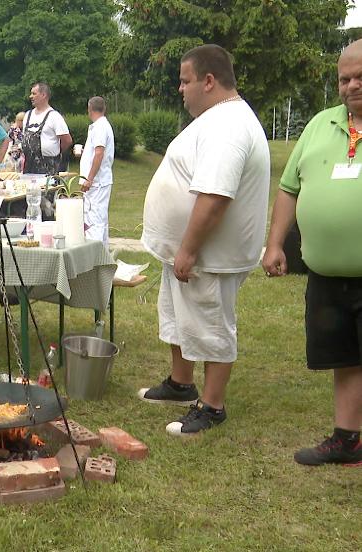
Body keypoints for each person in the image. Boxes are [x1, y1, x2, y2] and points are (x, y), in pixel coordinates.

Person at [138, 44, 270, 436]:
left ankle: (212, 405)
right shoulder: (216, 119)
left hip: (208, 256)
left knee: (211, 325)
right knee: (181, 319)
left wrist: (189, 248)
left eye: (185, 80)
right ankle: (181, 384)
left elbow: (215, 196)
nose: (181, 89)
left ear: (209, 81)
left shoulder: (229, 126)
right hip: (191, 253)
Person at [261, 39, 362, 466]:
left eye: (360, 77)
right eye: (344, 78)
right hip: (327, 275)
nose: (351, 85)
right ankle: (348, 439)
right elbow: (289, 188)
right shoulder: (321, 124)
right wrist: (275, 242)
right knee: (345, 357)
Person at [76, 96, 115, 245]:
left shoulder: (99, 127)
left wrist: (89, 178)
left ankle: (94, 258)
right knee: (100, 220)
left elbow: (99, 153)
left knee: (94, 221)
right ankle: (103, 256)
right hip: (100, 181)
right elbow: (96, 152)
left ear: (89, 109)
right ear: (104, 108)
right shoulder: (101, 126)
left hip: (97, 183)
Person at [20, 83, 72, 176]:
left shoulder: (54, 116)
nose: (30, 96)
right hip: (29, 167)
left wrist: (56, 151)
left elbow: (67, 140)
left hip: (48, 167)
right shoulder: (28, 115)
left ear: (43, 95)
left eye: (34, 93)